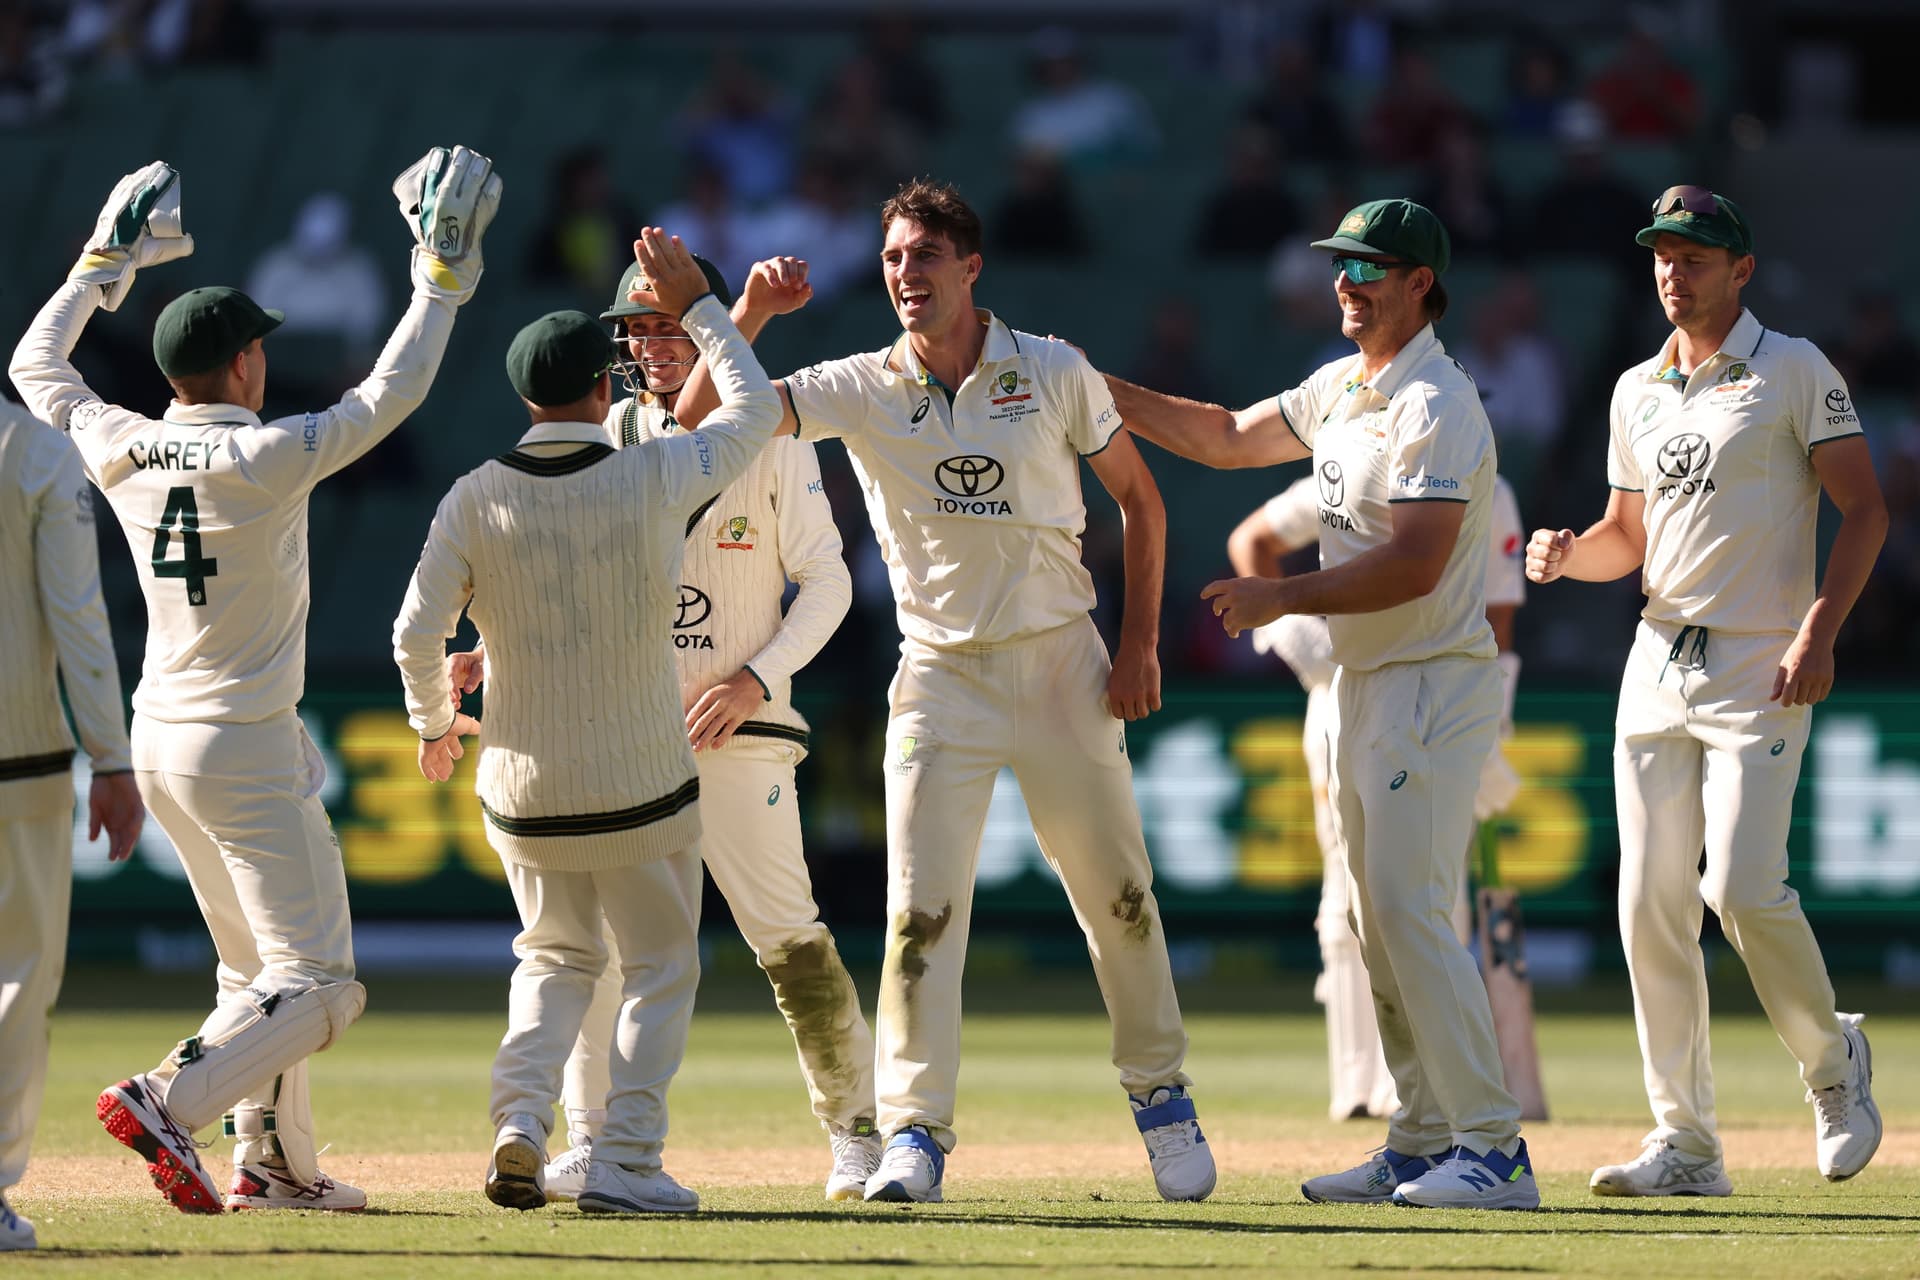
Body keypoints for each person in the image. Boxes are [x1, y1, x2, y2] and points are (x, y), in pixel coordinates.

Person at [670, 178, 1214, 1205]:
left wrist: (1139, 643)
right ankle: (915, 1133)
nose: (904, 276)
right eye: (890, 260)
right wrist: (740, 312)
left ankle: (1163, 1098)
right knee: (918, 913)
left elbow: (1142, 502)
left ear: (972, 266)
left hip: (1060, 660)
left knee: (1121, 899)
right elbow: (697, 420)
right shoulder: (859, 382)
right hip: (938, 676)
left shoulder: (1051, 368)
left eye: (924, 256)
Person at [7, 148, 500, 1214]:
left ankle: (275, 1165)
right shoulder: (271, 453)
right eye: (259, 349)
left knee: (256, 978)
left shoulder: (120, 444)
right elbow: (396, 389)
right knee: (324, 981)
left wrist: (104, 264)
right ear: (242, 367)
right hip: (248, 740)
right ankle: (164, 1098)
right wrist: (438, 277)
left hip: (161, 736)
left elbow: (37, 366)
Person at [1098, 198, 1538, 1210]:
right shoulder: (1345, 385)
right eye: (1340, 267)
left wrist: (1281, 596)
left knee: (1413, 915)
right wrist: (1097, 387)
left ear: (1420, 282)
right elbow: (1222, 436)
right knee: (1371, 918)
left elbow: (1420, 562)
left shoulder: (1440, 403)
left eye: (1368, 268)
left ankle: (1496, 1149)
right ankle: (1424, 1137)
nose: (1345, 284)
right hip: (1364, 685)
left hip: (1433, 681)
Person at [447, 248, 881, 1203]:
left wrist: (755, 679)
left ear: (700, 323)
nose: (647, 344)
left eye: (664, 323)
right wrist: (493, 646)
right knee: (595, 954)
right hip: (626, 737)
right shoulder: (612, 432)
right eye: (635, 331)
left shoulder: (775, 436)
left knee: (788, 939)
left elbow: (830, 579)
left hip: (740, 733)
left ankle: (857, 1135)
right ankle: (600, 1144)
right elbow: (547, 562)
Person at [394, 231, 781, 1217]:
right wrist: (702, 307)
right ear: (599, 382)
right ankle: (627, 1155)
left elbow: (414, 632)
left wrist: (437, 720)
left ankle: (522, 1125)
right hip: (641, 784)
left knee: (554, 958)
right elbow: (751, 410)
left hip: (523, 791)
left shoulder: (473, 495)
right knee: (661, 965)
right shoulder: (651, 473)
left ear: (526, 393)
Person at [1525, 186, 1888, 1196]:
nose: (1674, 273)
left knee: (1738, 884)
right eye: (1662, 256)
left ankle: (1833, 1064)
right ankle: (1686, 1143)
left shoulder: (1794, 368)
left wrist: (1820, 627)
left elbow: (1865, 510)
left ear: (1742, 270)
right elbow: (1625, 539)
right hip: (1657, 659)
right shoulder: (1637, 386)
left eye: (1696, 256)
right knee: (1647, 902)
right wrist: (1565, 554)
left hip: (1761, 661)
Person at [1227, 467, 1527, 1122]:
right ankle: (1357, 1081)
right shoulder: (1348, 472)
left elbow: (1498, 607)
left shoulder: (1487, 488)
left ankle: (1426, 1081)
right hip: (1343, 696)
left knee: (1429, 889)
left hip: (1441, 695)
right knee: (1346, 888)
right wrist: (1294, 634)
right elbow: (1249, 538)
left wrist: (1495, 712)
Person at [0, 401, 145, 1252]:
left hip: (24, 769)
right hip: (20, 765)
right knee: (16, 983)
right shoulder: (38, 453)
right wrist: (112, 758)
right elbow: (77, 612)